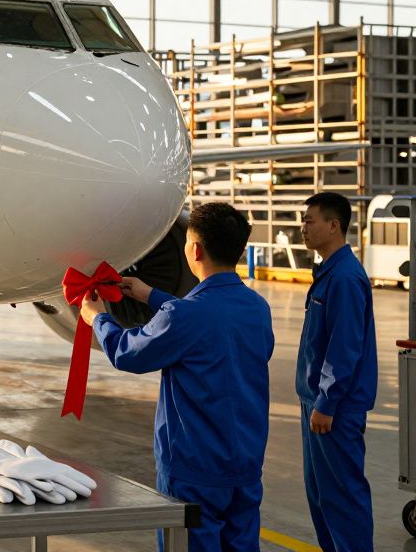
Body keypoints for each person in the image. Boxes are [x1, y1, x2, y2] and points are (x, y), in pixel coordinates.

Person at [80, 203, 274, 552]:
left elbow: (128, 353)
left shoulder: (183, 317)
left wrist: (98, 318)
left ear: (194, 250)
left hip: (194, 470)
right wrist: (150, 294)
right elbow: (206, 320)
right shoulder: (257, 308)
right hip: (245, 465)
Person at [297, 192, 376, 551]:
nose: (303, 228)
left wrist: (327, 402)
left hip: (334, 409)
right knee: (321, 496)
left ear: (334, 225)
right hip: (316, 402)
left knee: (342, 497)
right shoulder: (328, 272)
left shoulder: (344, 278)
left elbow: (345, 347)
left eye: (309, 221)